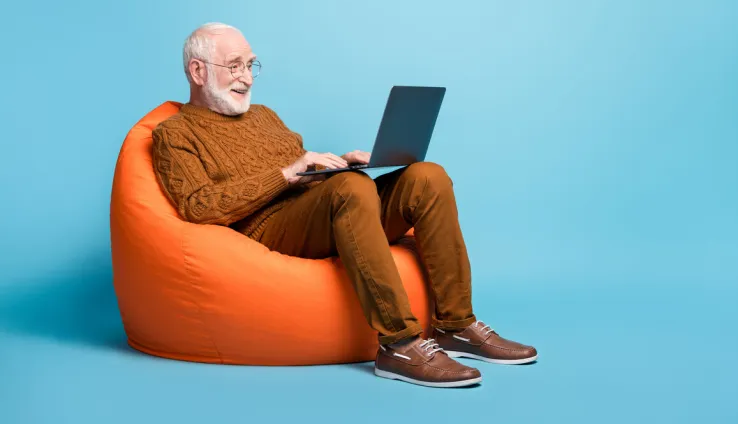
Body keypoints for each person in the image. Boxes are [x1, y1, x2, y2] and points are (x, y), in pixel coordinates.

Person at [151, 22, 537, 388]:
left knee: (426, 176)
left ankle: (456, 327)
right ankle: (399, 345)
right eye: (234, 66)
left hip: (322, 209)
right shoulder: (174, 134)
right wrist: (288, 173)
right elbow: (197, 205)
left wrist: (339, 163)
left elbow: (302, 170)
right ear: (198, 71)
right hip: (269, 229)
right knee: (350, 190)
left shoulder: (264, 116)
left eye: (251, 65)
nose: (247, 77)